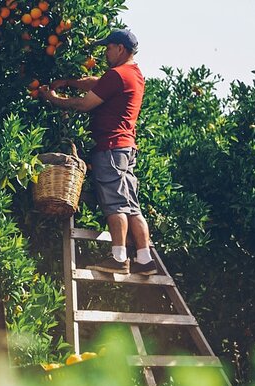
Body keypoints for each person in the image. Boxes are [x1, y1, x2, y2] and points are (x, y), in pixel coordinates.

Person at [38, 28, 157, 275]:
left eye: (108, 47)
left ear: (120, 49)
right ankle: (145, 260)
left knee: (116, 204)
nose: (105, 52)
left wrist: (53, 98)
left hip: (111, 149)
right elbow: (97, 83)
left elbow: (84, 103)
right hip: (125, 148)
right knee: (131, 205)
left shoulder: (118, 75)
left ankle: (119, 257)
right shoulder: (132, 74)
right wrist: (70, 82)